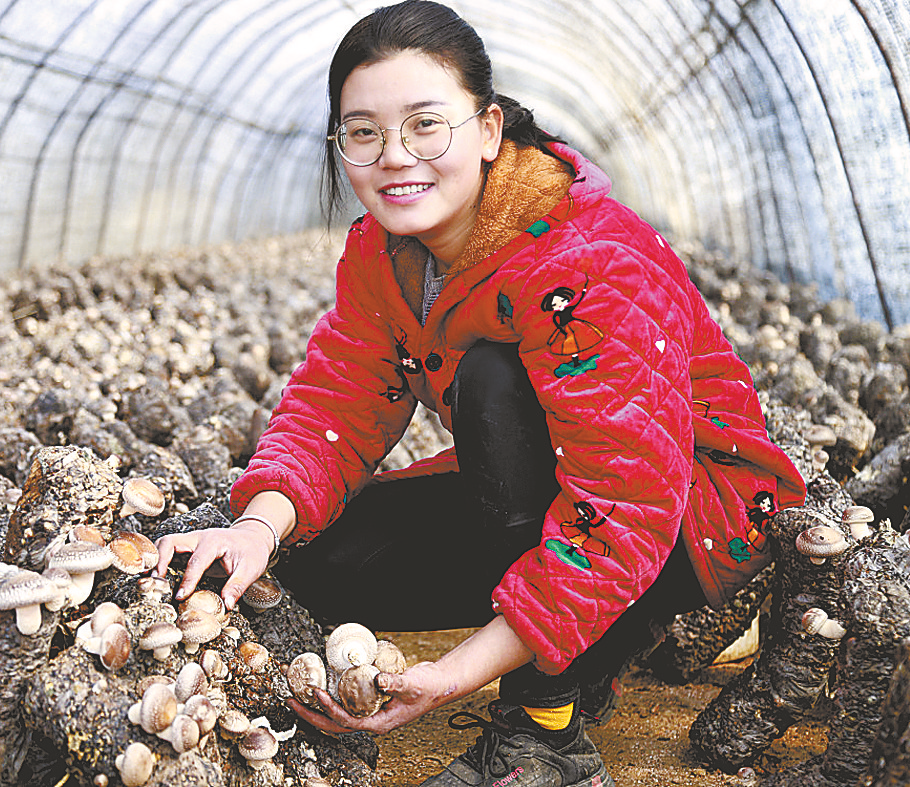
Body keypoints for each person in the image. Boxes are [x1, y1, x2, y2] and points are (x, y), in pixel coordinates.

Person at [154, 2, 806, 785]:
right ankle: (596, 639)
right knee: (308, 566)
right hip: (550, 489)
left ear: (489, 129)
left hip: (685, 516)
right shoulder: (382, 250)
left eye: (426, 125)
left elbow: (624, 500)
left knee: (493, 381)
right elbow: (340, 394)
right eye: (362, 132)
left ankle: (544, 730)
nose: (394, 156)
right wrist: (258, 523)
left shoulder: (589, 262)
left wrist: (459, 673)